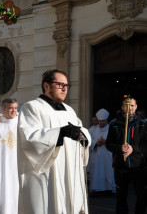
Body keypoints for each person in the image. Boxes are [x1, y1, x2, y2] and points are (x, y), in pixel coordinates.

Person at [17, 69, 91, 214]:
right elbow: (30, 138)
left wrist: (83, 136)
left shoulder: (69, 111)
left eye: (67, 85)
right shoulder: (32, 107)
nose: (64, 88)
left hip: (69, 173)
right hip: (46, 173)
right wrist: (60, 132)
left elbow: (82, 131)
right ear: (46, 86)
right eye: (59, 84)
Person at [106, 97, 147, 214]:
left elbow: (145, 144)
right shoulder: (114, 124)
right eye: (127, 106)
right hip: (120, 165)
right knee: (121, 196)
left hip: (138, 165)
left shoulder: (143, 124)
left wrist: (133, 149)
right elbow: (109, 144)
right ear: (122, 107)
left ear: (136, 106)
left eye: (132, 105)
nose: (130, 108)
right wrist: (120, 148)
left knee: (142, 195)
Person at [88, 108, 115, 194]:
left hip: (108, 154)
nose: (101, 123)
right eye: (100, 121)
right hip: (97, 154)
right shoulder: (93, 130)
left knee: (108, 171)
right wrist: (96, 143)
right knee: (96, 171)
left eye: (103, 121)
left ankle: (109, 189)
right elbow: (89, 140)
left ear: (107, 120)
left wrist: (106, 141)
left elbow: (116, 140)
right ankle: (96, 189)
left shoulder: (111, 129)